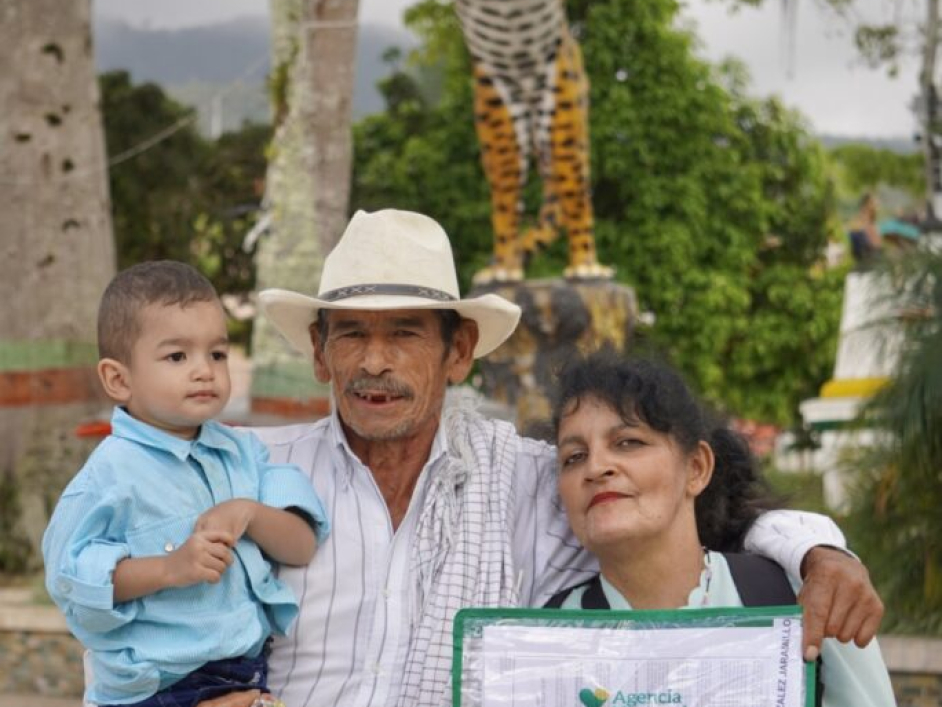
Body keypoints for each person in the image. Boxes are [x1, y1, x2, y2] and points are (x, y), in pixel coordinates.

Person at [206, 209, 882, 707]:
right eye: (351, 333)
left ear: (459, 351)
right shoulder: (247, 470)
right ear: (320, 352)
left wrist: (820, 554)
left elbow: (695, 514)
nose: (374, 361)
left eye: (405, 332)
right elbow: (151, 596)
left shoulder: (535, 478)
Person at [43, 261, 329, 707]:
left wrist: (248, 512)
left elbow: (302, 545)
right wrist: (169, 569)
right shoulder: (110, 475)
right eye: (177, 356)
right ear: (119, 379)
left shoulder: (243, 452)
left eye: (217, 354)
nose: (205, 371)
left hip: (245, 668)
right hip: (158, 684)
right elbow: (71, 579)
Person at [546, 352, 895, 706]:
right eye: (574, 457)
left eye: (627, 442)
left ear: (697, 467)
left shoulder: (806, 598)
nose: (596, 466)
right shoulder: (544, 640)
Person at [848, 192, 882, 265]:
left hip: (872, 252)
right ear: (867, 203)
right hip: (868, 253)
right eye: (873, 202)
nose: (877, 204)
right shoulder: (863, 217)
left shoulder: (871, 218)